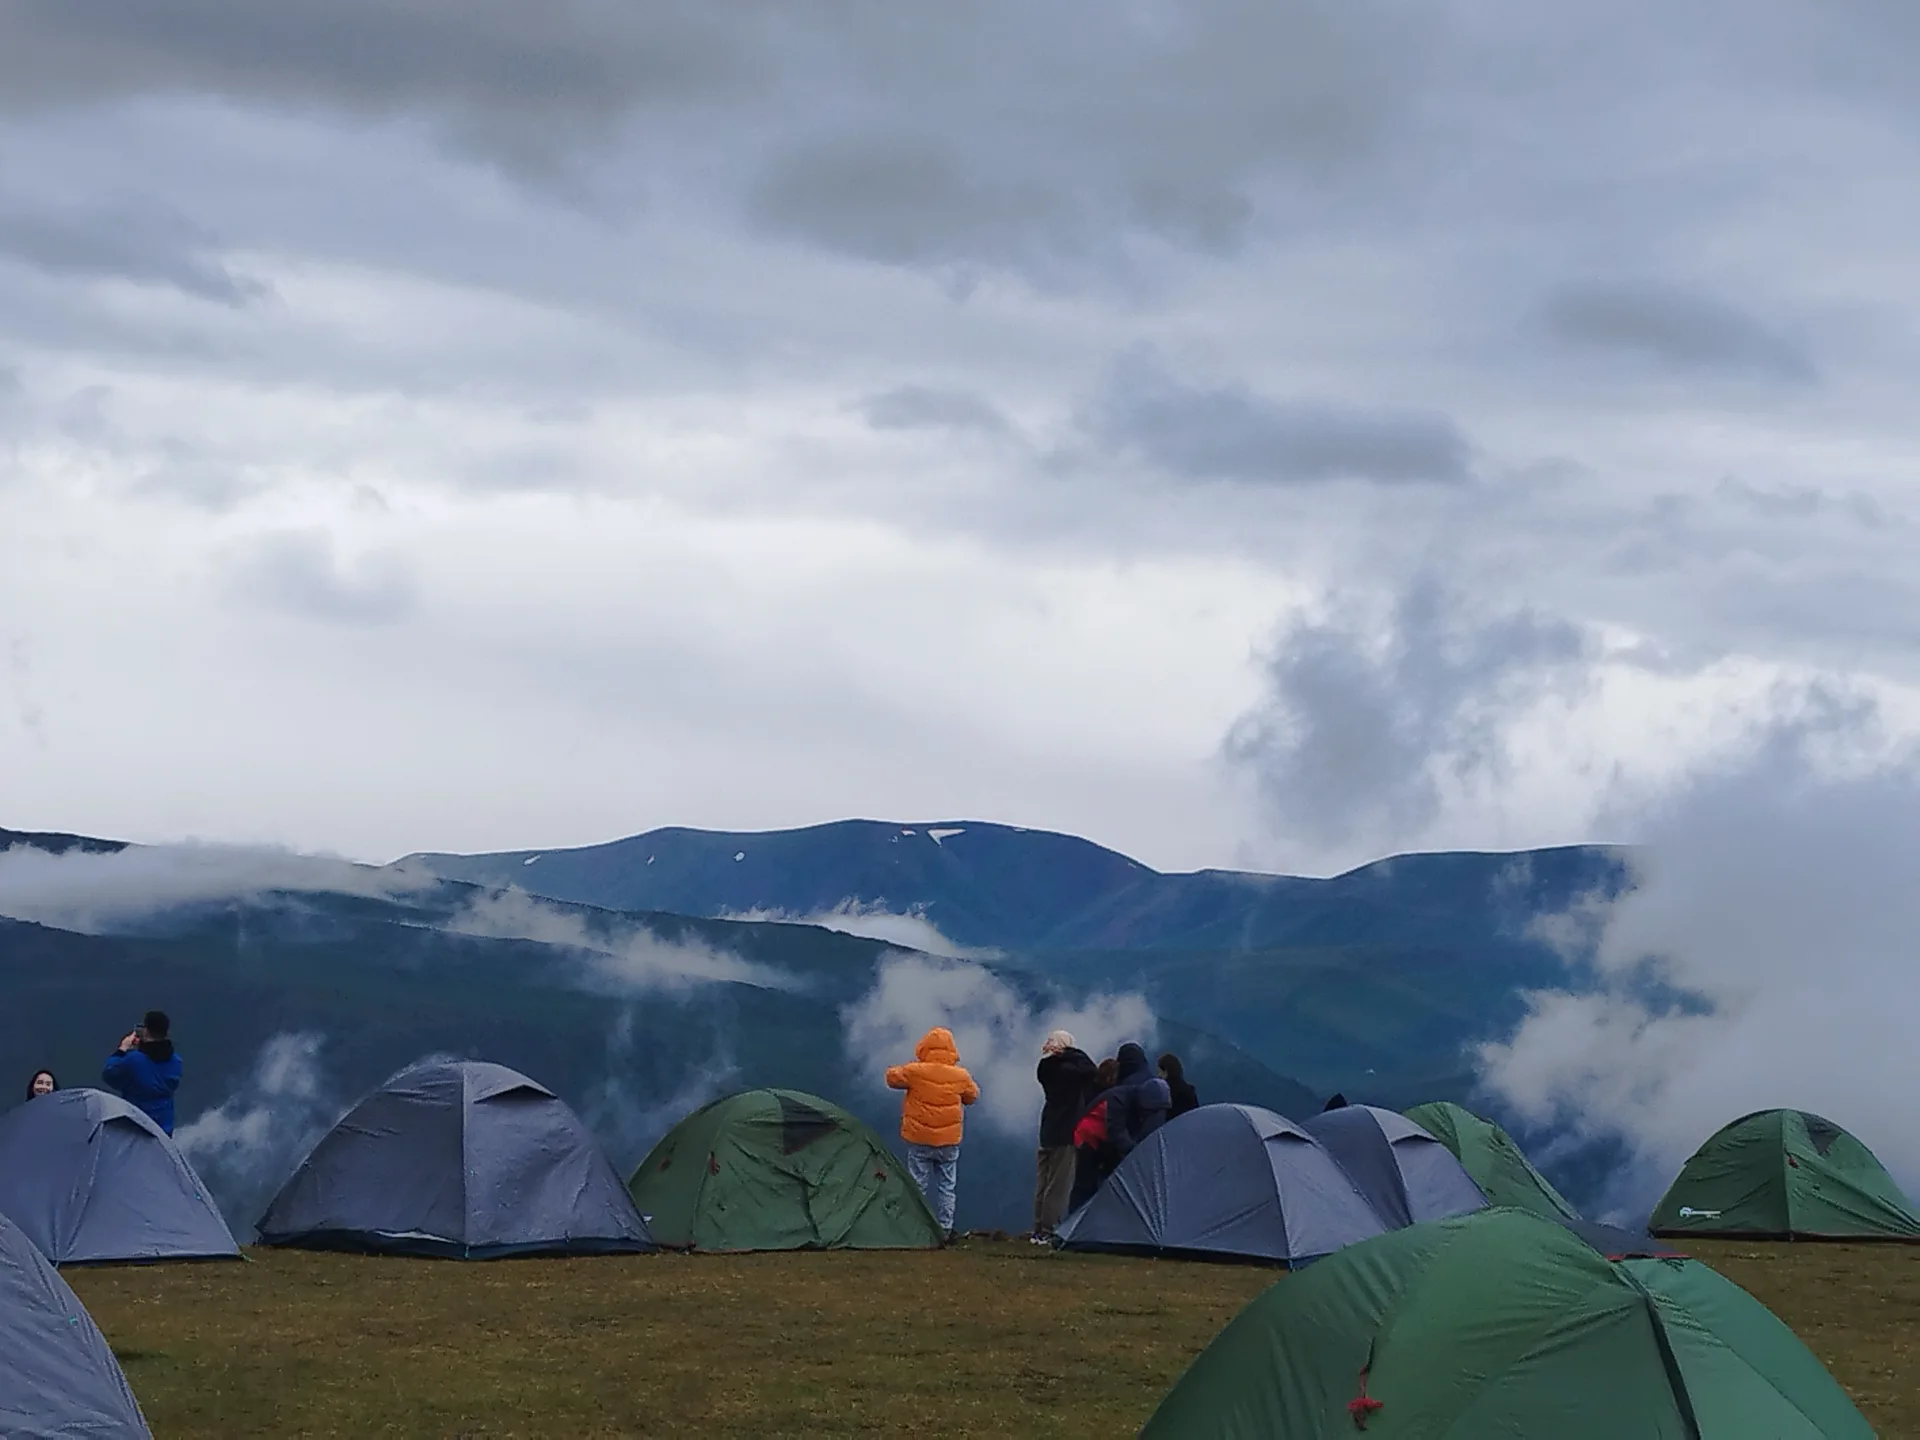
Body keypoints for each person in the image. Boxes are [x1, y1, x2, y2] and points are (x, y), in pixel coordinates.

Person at [884, 1027, 978, 1240]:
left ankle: (916, 1226)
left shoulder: (915, 1071)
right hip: (948, 1142)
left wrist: (898, 1066)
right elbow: (972, 1097)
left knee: (918, 1183)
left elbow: (891, 1078)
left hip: (920, 1138)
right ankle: (945, 1228)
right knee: (947, 1186)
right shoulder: (961, 1076)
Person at [1033, 1029, 1097, 1244]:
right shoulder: (1069, 1069)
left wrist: (1063, 1053)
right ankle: (1048, 1230)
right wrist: (1072, 1052)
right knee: (1058, 1185)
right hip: (1065, 1132)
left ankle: (1038, 1229)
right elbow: (1091, 1070)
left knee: (1043, 1182)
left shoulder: (1044, 1067)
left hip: (1048, 1129)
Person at [102, 1010, 182, 1134]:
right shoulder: (176, 1062)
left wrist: (122, 1050)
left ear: (146, 1030)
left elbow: (109, 1075)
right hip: (163, 1130)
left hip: (138, 1127)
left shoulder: (134, 1060)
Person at [1104, 1042, 1171, 1160]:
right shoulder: (1153, 1082)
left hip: (1126, 1149)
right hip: (1150, 1150)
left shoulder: (1123, 1087)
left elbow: (1115, 1126)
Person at [1158, 1053, 1199, 1118]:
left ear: (1165, 1071)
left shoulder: (1163, 1091)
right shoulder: (1189, 1090)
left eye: (1160, 1071)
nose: (1159, 1075)